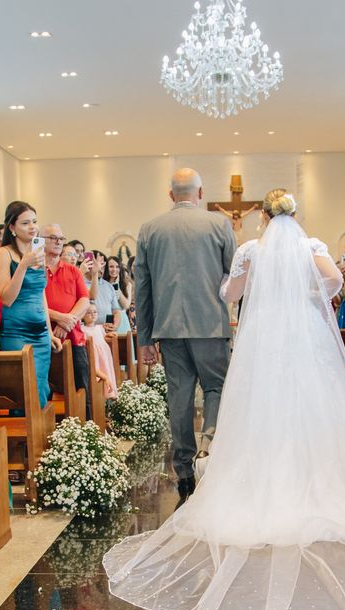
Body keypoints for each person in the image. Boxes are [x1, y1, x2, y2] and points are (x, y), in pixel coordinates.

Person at [103, 188, 345, 610]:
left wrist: (245, 284)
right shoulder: (311, 247)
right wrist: (304, 292)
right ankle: (312, 482)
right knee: (308, 406)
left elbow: (229, 293)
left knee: (262, 406)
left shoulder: (252, 250)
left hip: (264, 336)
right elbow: (333, 282)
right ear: (296, 215)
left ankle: (262, 482)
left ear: (264, 219)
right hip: (305, 335)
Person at [134, 168, 238, 506]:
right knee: (216, 387)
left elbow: (142, 287)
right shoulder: (219, 225)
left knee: (179, 397)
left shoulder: (150, 229)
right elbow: (235, 275)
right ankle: (208, 447)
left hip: (169, 328)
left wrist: (145, 338)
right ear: (201, 193)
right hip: (211, 326)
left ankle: (183, 469)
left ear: (171, 195)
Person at [0, 201, 62, 409]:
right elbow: (7, 298)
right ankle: (24, 430)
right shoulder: (3, 254)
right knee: (24, 390)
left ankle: (41, 430)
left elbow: (41, 295)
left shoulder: (38, 253)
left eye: (34, 221)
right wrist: (23, 265)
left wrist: (49, 332)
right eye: (25, 223)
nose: (32, 227)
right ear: (12, 228)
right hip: (16, 333)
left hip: (41, 333)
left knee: (41, 388)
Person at [42, 223, 91, 415]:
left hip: (74, 338)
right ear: (40, 240)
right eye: (53, 238)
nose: (58, 242)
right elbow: (34, 302)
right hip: (44, 338)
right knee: (46, 392)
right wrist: (60, 317)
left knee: (82, 389)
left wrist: (67, 323)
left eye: (61, 238)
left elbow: (84, 300)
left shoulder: (72, 270)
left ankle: (87, 427)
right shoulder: (35, 269)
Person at [83, 302, 118, 399]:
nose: (93, 314)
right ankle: (99, 396)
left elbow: (103, 336)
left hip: (104, 356)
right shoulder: (83, 329)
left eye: (95, 312)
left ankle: (109, 393)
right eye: (89, 313)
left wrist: (109, 334)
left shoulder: (99, 327)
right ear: (82, 315)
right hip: (94, 356)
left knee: (107, 370)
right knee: (98, 375)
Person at [84, 251, 122, 333]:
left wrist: (115, 326)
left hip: (107, 332)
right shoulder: (80, 283)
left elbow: (116, 311)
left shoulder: (109, 286)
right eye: (98, 264)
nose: (100, 268)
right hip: (88, 332)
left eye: (103, 266)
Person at [104, 255, 132, 334]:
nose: (114, 269)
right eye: (111, 266)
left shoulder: (127, 284)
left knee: (124, 341)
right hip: (107, 319)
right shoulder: (102, 284)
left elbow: (126, 305)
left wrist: (117, 287)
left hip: (122, 319)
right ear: (106, 268)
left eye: (117, 267)